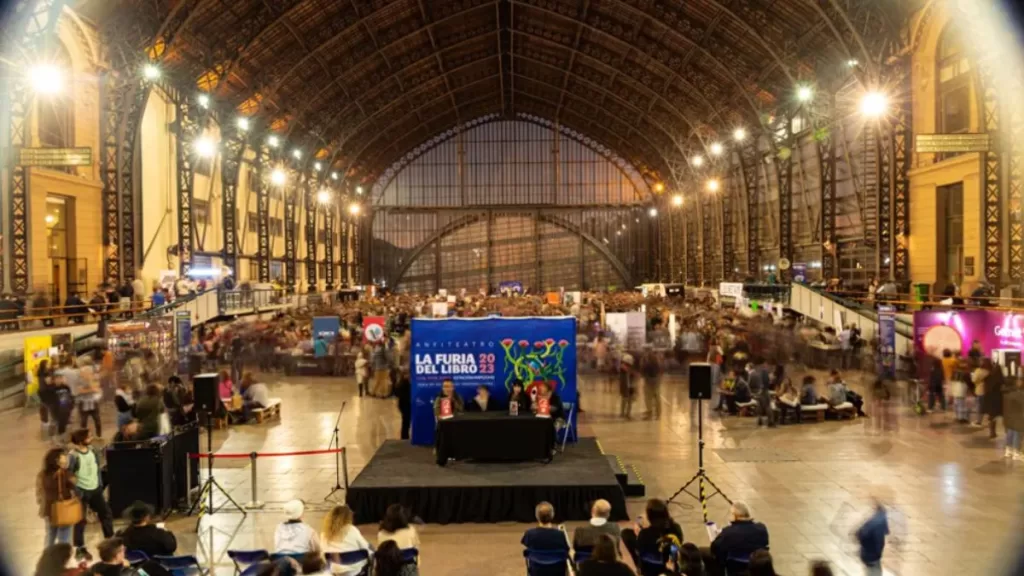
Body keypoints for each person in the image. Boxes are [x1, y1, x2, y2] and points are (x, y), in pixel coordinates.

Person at [69, 428, 114, 557]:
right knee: (80, 520)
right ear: (81, 440)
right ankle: (80, 548)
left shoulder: (93, 451)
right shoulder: (73, 456)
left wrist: (99, 484)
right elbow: (69, 475)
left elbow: (97, 467)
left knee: (106, 513)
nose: (91, 438)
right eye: (88, 437)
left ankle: (109, 540)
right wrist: (77, 491)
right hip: (82, 492)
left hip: (95, 489)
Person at [620, 499, 682, 568]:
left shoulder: (645, 533)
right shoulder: (676, 527)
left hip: (651, 566)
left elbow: (640, 550)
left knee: (625, 533)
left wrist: (638, 534)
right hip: (670, 562)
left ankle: (639, 566)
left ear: (649, 516)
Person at [709, 502, 769, 570]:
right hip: (757, 564)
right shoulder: (762, 528)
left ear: (735, 516)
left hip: (736, 566)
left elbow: (714, 548)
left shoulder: (728, 532)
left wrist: (719, 536)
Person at [37, 448, 77, 548]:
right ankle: (62, 555)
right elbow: (76, 486)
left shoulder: (42, 474)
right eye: (64, 457)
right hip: (63, 509)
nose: (66, 459)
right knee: (64, 536)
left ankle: (47, 555)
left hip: (48, 510)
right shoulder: (65, 474)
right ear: (57, 460)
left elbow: (39, 492)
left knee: (50, 536)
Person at [320, 504, 372, 576]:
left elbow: (323, 553)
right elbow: (365, 546)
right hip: (353, 568)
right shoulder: (351, 529)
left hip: (335, 569)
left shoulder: (324, 534)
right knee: (370, 550)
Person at [854, 502, 888, 576]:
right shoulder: (879, 521)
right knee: (874, 570)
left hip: (870, 556)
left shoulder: (873, 522)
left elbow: (859, 535)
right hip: (872, 556)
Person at [71, 357, 102, 438]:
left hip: (93, 402)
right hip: (83, 403)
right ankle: (83, 437)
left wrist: (90, 384)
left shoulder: (93, 379)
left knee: (97, 421)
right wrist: (91, 389)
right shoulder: (78, 380)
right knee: (83, 422)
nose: (87, 373)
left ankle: (99, 436)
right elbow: (80, 391)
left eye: (89, 372)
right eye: (85, 372)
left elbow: (97, 388)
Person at [981, 358, 1005, 439]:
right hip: (997, 399)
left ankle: (992, 432)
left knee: (991, 416)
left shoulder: (988, 376)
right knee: (994, 416)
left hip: (989, 399)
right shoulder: (1000, 378)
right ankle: (993, 432)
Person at [640, 347, 663, 419]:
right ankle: (658, 414)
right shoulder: (658, 364)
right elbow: (661, 372)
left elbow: (642, 372)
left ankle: (649, 413)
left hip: (648, 382)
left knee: (648, 398)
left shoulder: (646, 364)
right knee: (657, 398)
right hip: (657, 382)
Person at [395, 367, 413, 440]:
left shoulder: (412, 382)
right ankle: (404, 437)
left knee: (407, 422)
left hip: (409, 404)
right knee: (406, 422)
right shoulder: (402, 383)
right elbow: (398, 394)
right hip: (405, 405)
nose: (408, 376)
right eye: (407, 374)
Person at [619, 353, 637, 419]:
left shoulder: (627, 368)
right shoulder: (623, 368)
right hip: (626, 386)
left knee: (629, 401)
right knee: (625, 400)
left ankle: (627, 413)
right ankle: (624, 413)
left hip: (629, 386)